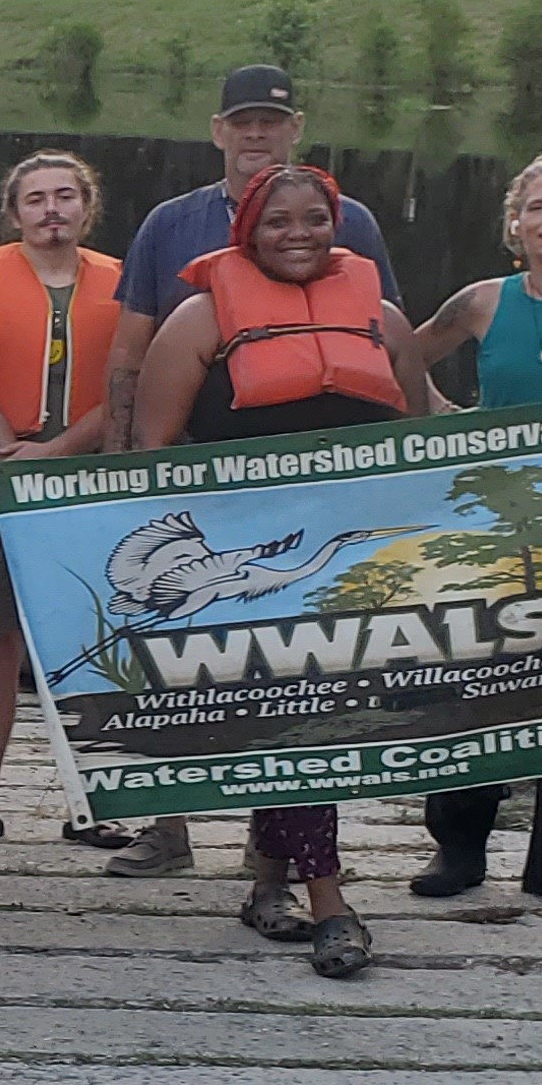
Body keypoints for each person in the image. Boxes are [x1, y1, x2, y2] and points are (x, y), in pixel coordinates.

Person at [91, 63, 402, 880]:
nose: (256, 133)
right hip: (208, 502)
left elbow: (385, 352)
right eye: (242, 121)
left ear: (294, 127)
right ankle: (168, 822)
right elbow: (131, 353)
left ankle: (278, 859)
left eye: (271, 120)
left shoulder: (354, 223)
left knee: (292, 689)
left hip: (317, 504)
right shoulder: (170, 223)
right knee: (183, 665)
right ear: (219, 130)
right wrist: (123, 470)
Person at [130, 166, 435, 979]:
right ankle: (331, 903)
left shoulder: (384, 320)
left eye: (315, 220)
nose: (297, 234)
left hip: (353, 572)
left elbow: (432, 440)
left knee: (302, 727)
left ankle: (270, 883)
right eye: (277, 222)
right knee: (297, 723)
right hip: (245, 572)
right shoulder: (197, 321)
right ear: (246, 233)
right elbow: (148, 457)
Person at [401, 152, 542, 906]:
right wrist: (444, 420)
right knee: (476, 679)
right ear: (515, 223)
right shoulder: (479, 303)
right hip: (492, 520)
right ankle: (459, 845)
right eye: (539, 208)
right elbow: (400, 353)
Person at [0, 152, 119, 849]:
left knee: (94, 647)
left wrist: (56, 454)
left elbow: (125, 389)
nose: (52, 210)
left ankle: (95, 797)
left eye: (66, 197)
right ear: (14, 213)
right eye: (37, 199)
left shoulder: (121, 284)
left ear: (86, 207)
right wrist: (12, 456)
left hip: (85, 489)